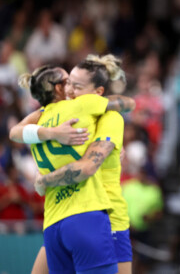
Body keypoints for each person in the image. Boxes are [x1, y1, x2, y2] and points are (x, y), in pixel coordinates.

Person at [15, 55, 134, 274]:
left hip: (109, 219)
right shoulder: (70, 114)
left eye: (76, 86)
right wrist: (51, 133)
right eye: (68, 83)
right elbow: (128, 103)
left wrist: (44, 179)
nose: (70, 90)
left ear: (96, 92)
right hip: (78, 216)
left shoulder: (108, 117)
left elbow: (16, 131)